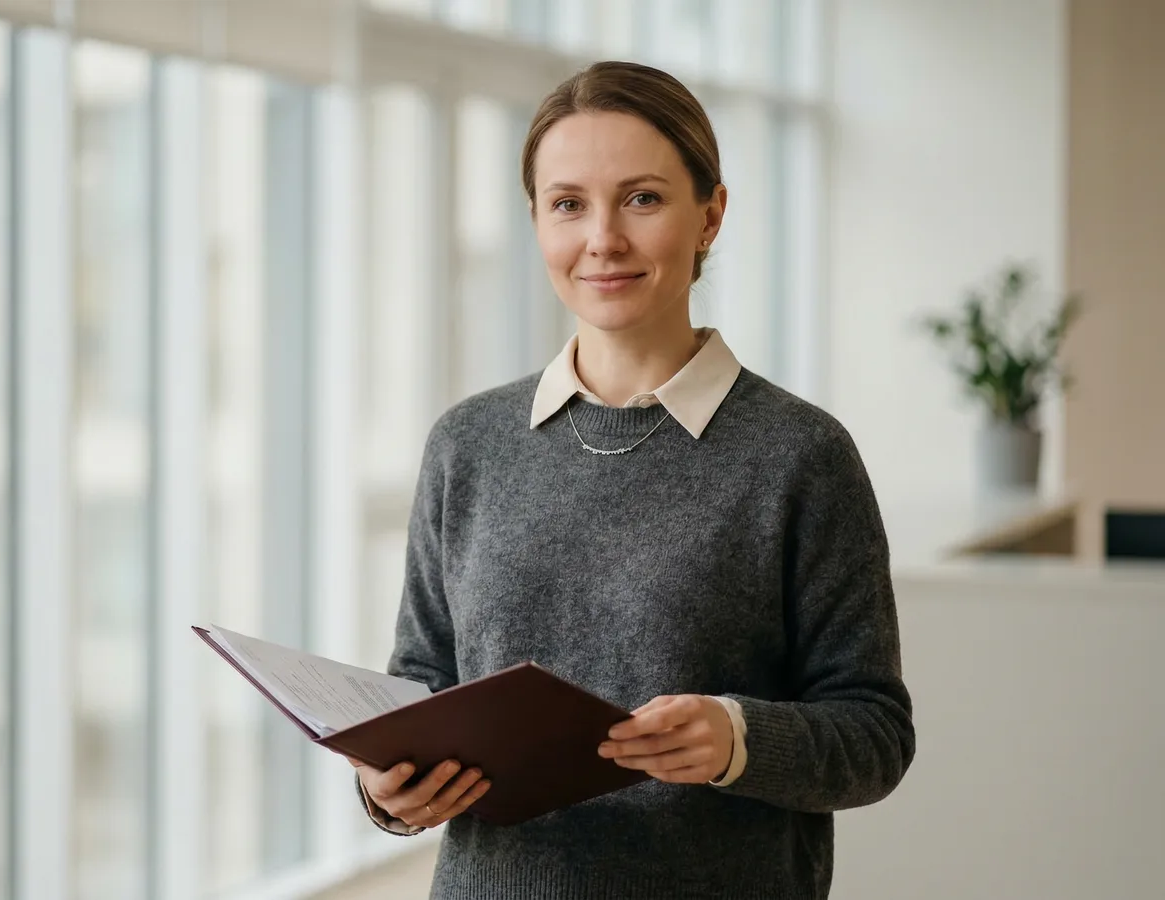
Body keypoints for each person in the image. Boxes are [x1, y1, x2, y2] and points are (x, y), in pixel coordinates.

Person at [347, 61, 916, 899]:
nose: (602, 239)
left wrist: (737, 738)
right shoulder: (468, 444)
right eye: (567, 204)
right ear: (537, 221)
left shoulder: (801, 455)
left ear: (709, 216)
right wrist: (384, 790)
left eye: (642, 199)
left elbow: (874, 736)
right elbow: (421, 686)